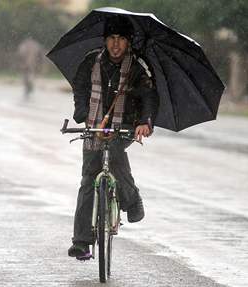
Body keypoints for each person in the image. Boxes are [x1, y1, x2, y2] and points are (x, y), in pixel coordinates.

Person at [67, 15, 159, 258]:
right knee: (88, 179)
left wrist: (144, 122)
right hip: (95, 125)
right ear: (105, 41)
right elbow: (80, 89)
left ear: (128, 42)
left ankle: (131, 199)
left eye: (121, 39)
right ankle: (82, 241)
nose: (116, 44)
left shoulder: (139, 67)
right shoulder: (90, 62)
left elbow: (149, 96)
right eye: (111, 39)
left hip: (124, 125)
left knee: (115, 152)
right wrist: (83, 114)